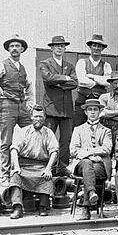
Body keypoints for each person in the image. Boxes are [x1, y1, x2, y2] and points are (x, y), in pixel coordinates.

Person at [0, 34, 34, 184]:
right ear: (8, 49)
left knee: (30, 135)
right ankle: (5, 174)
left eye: (17, 46)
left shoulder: (23, 69)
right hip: (6, 105)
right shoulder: (2, 65)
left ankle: (26, 169)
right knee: (6, 141)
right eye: (12, 46)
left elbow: (29, 87)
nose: (14, 49)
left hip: (21, 106)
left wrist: (29, 103)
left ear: (22, 49)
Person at [8, 106, 58, 219]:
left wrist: (48, 168)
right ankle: (17, 208)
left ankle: (43, 207)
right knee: (15, 176)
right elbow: (14, 149)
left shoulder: (48, 133)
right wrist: (16, 167)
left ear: (44, 117)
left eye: (40, 117)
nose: (38, 119)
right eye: (36, 116)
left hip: (41, 166)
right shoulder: (24, 131)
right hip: (24, 165)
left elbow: (54, 151)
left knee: (47, 177)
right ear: (31, 117)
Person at [39, 35, 78, 176]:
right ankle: (45, 166)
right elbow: (48, 78)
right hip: (51, 107)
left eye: (62, 46)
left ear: (65, 48)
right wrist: (65, 79)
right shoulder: (45, 63)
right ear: (51, 48)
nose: (60, 48)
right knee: (48, 139)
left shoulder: (70, 65)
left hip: (67, 109)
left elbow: (75, 83)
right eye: (57, 46)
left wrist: (57, 83)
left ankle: (62, 167)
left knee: (65, 140)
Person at [68, 99, 112, 220]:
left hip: (100, 165)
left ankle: (86, 209)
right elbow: (73, 149)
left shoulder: (106, 130)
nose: (93, 112)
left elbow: (107, 148)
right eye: (90, 110)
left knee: (90, 168)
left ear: (100, 112)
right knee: (87, 164)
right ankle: (91, 194)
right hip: (81, 164)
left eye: (95, 110)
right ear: (86, 112)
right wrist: (90, 156)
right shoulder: (78, 129)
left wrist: (88, 153)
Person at [74, 34, 112, 126]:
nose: (96, 48)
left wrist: (92, 76)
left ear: (102, 49)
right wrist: (99, 81)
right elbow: (82, 81)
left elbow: (108, 82)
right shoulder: (82, 62)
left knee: (99, 127)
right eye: (94, 45)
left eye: (99, 46)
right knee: (78, 126)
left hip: (99, 100)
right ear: (90, 47)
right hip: (82, 99)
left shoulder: (106, 65)